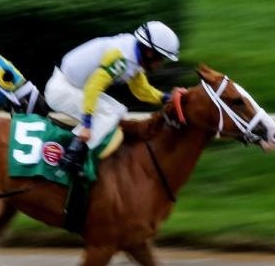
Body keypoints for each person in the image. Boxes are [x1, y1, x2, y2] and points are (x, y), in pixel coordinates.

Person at [43, 20, 180, 177]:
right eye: (161, 58)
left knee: (120, 111)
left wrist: (167, 98)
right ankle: (70, 156)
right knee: (109, 114)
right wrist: (87, 124)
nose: (160, 64)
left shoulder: (132, 54)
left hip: (73, 86)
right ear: (150, 52)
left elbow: (141, 90)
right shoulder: (121, 58)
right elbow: (93, 87)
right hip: (62, 90)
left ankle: (78, 150)